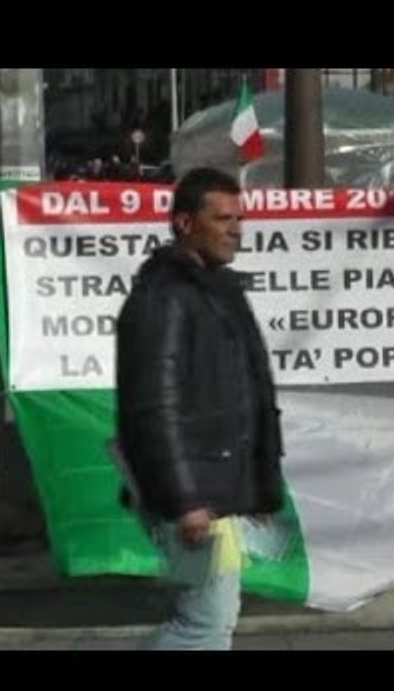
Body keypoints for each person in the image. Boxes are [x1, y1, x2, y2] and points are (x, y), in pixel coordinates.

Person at [115, 166, 285, 650]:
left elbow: (245, 393)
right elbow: (155, 405)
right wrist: (185, 499)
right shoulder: (165, 298)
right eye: (223, 218)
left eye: (240, 218)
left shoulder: (219, 290)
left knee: (214, 619)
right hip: (194, 493)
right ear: (185, 224)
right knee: (203, 624)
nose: (236, 229)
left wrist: (255, 488)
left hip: (218, 487)